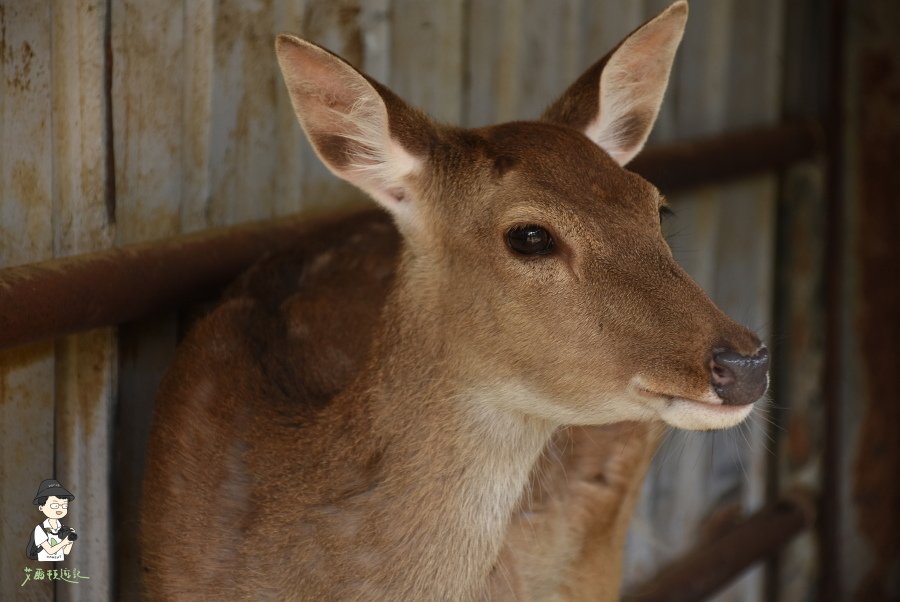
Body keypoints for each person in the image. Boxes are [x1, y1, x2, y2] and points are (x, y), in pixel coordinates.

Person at [32, 479, 76, 562]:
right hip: (43, 565)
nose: (60, 508)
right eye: (55, 505)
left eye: (64, 505)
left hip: (59, 565)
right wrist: (64, 542)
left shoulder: (62, 528)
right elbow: (50, 551)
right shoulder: (40, 529)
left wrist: (70, 540)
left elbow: (66, 552)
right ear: (41, 507)